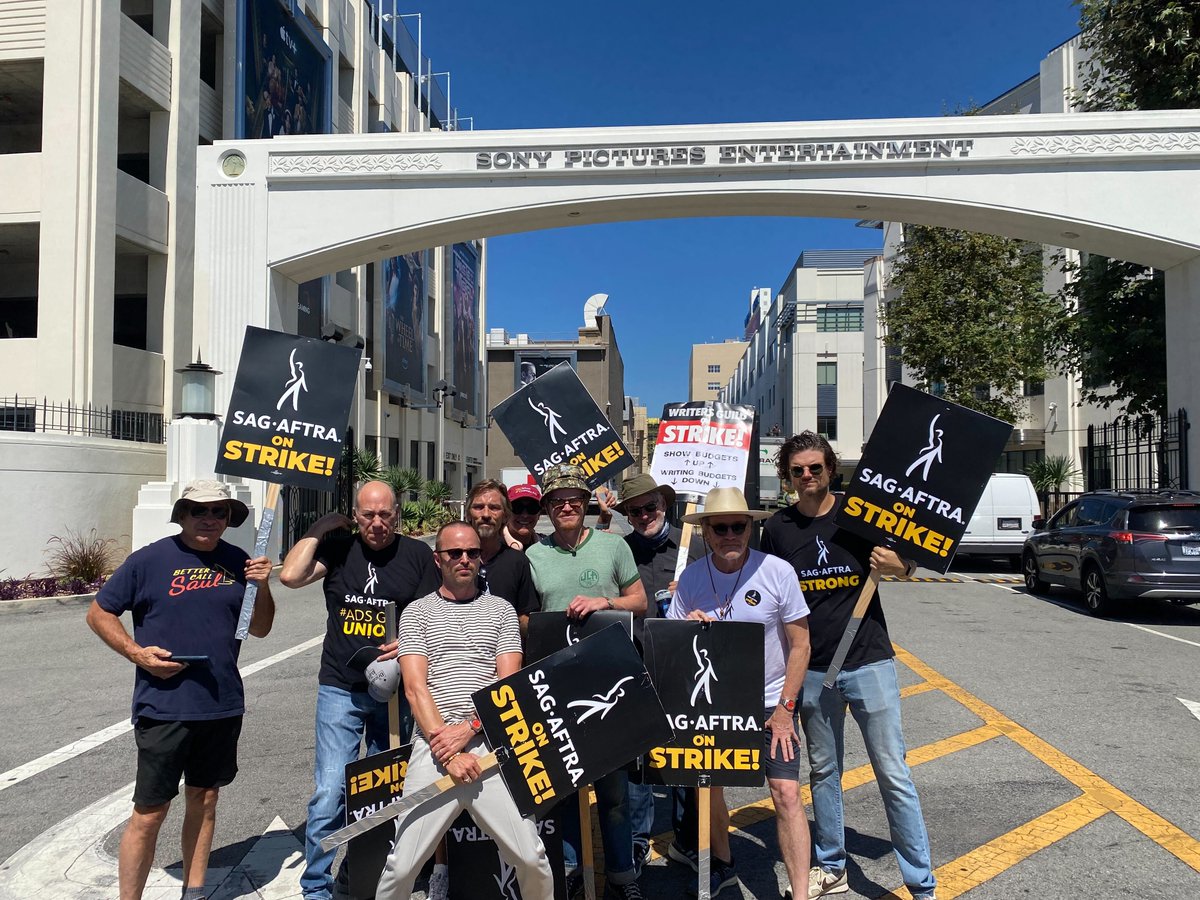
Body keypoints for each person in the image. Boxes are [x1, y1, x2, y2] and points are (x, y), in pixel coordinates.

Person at [760, 431, 936, 900]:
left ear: (831, 469)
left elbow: (909, 561)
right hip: (812, 669)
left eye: (815, 467)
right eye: (797, 470)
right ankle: (832, 865)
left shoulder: (860, 513)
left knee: (892, 772)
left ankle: (921, 883)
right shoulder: (778, 528)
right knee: (823, 771)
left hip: (868, 661)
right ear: (787, 475)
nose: (807, 475)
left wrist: (901, 565)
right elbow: (766, 593)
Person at [85, 480, 275, 900]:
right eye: (199, 510)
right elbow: (99, 612)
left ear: (228, 518)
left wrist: (262, 585)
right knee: (149, 813)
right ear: (182, 514)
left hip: (220, 704)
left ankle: (194, 891)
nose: (209, 519)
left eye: (219, 512)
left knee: (205, 801)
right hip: (163, 706)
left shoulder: (239, 563)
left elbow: (260, 628)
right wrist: (136, 653)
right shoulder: (149, 560)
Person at [375, 521, 554, 899]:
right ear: (437, 559)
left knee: (531, 858)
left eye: (472, 552)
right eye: (454, 553)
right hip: (434, 745)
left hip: (490, 744)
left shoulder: (502, 611)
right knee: (401, 867)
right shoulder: (417, 613)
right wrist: (450, 752)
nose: (464, 559)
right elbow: (415, 688)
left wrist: (471, 728)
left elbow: (506, 686)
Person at [280, 480, 440, 900]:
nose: (377, 523)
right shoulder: (339, 549)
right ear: (356, 516)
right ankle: (316, 886)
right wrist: (320, 528)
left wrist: (407, 641)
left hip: (397, 690)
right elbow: (290, 576)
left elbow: (430, 613)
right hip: (341, 686)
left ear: (397, 515)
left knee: (388, 788)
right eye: (368, 515)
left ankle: (368, 873)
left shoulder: (416, 554)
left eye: (385, 514)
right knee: (331, 790)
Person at [668, 487, 812, 899]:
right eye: (721, 528)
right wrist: (689, 629)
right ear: (705, 532)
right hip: (714, 704)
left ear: (750, 528)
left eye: (738, 526)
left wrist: (785, 710)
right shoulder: (692, 578)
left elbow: (801, 644)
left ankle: (801, 893)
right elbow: (674, 647)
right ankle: (724, 863)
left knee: (786, 792)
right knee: (709, 788)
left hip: (770, 703)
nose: (730, 534)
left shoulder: (778, 572)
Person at [525, 463, 648, 900]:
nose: (567, 507)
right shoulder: (534, 556)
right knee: (565, 791)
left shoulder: (614, 546)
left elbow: (640, 601)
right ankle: (576, 872)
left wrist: (605, 601)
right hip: (555, 686)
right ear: (547, 508)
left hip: (608, 681)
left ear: (586, 503)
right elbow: (524, 619)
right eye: (558, 501)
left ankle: (622, 876)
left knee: (614, 792)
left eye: (575, 499)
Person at [607, 473, 705, 871]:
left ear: (664, 505)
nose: (645, 515)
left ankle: (688, 839)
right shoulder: (619, 550)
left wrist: (694, 596)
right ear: (628, 516)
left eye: (651, 506)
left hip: (684, 666)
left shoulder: (694, 545)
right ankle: (637, 840)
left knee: (686, 755)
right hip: (633, 664)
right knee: (637, 760)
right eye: (635, 511)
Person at [465, 479, 541, 630]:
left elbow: (525, 616)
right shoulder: (449, 557)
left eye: (494, 508)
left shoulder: (518, 561)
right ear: (468, 514)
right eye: (478, 507)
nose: (486, 514)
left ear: (506, 516)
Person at [503, 482, 543, 550]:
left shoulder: (547, 546)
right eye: (517, 508)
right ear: (506, 512)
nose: (525, 515)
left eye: (532, 508)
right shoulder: (491, 547)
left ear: (539, 514)